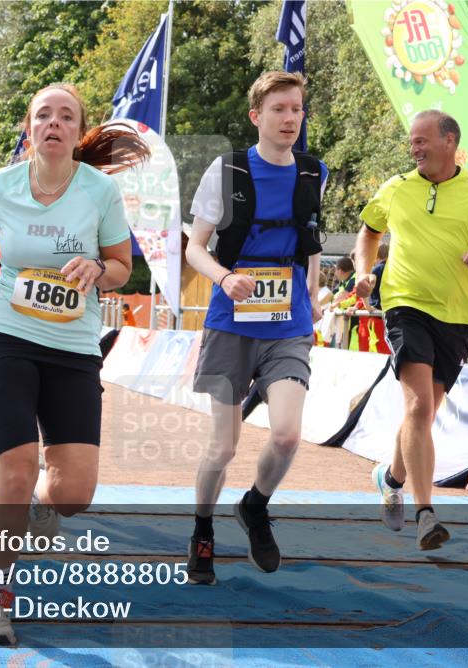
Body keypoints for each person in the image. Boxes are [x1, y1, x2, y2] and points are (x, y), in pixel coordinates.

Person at [0, 82, 149, 645]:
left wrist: (96, 271)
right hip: (6, 334)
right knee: (16, 469)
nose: (53, 123)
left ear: (77, 131)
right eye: (43, 115)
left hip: (74, 348)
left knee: (75, 494)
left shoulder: (100, 191)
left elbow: (121, 266)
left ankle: (36, 508)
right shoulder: (2, 186)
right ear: (28, 128)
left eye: (65, 116)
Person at [184, 71, 325, 585]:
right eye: (280, 110)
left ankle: (255, 506)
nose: (290, 119)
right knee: (223, 447)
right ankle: (202, 530)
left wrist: (309, 296)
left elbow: (307, 243)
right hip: (231, 321)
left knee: (287, 435)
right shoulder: (225, 172)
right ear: (256, 116)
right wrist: (225, 278)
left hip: (288, 323)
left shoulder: (314, 172)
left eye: (297, 109)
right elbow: (194, 248)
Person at [354, 110, 468, 550]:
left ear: (449, 141)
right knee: (420, 405)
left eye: (423, 140)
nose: (415, 147)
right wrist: (365, 273)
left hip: (457, 317)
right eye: (412, 141)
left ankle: (389, 478)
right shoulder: (396, 188)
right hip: (405, 305)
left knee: (423, 413)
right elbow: (368, 233)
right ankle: (426, 513)